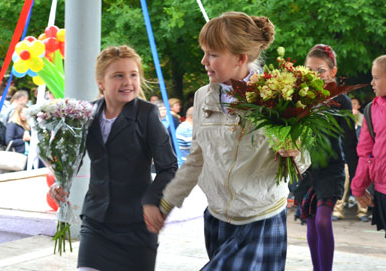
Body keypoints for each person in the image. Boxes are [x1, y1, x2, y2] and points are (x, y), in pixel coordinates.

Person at [144, 12, 311, 271]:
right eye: (204, 52)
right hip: (218, 218)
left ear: (240, 58)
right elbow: (196, 159)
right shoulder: (202, 97)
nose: (204, 61)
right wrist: (166, 203)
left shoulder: (278, 97)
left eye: (212, 54)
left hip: (260, 218)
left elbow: (303, 159)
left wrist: (295, 151)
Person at [49, 45, 177, 271]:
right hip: (96, 223)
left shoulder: (147, 114)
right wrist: (60, 182)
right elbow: (72, 160)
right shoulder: (86, 113)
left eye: (133, 75)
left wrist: (151, 202)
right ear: (101, 83)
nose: (128, 82)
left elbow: (170, 167)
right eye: (119, 75)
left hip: (137, 226)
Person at [293, 44, 359, 271]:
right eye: (308, 70)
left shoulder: (342, 101)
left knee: (322, 221)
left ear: (332, 71)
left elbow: (351, 142)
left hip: (331, 170)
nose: (314, 75)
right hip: (305, 171)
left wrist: (359, 178)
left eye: (319, 70)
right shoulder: (297, 97)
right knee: (311, 224)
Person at [351, 55, 386, 238]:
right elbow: (365, 154)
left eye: (376, 78)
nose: (372, 82)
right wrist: (358, 188)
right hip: (382, 191)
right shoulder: (371, 110)